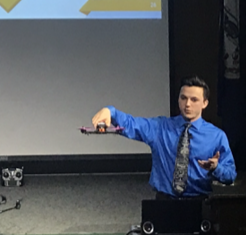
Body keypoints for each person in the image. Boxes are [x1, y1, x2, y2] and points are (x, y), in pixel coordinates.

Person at [92, 76, 237, 199]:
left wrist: (216, 167)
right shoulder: (160, 127)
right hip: (164, 201)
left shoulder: (216, 136)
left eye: (194, 100)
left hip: (200, 202)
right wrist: (110, 111)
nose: (187, 104)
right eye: (183, 98)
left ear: (205, 103)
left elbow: (230, 175)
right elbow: (132, 124)